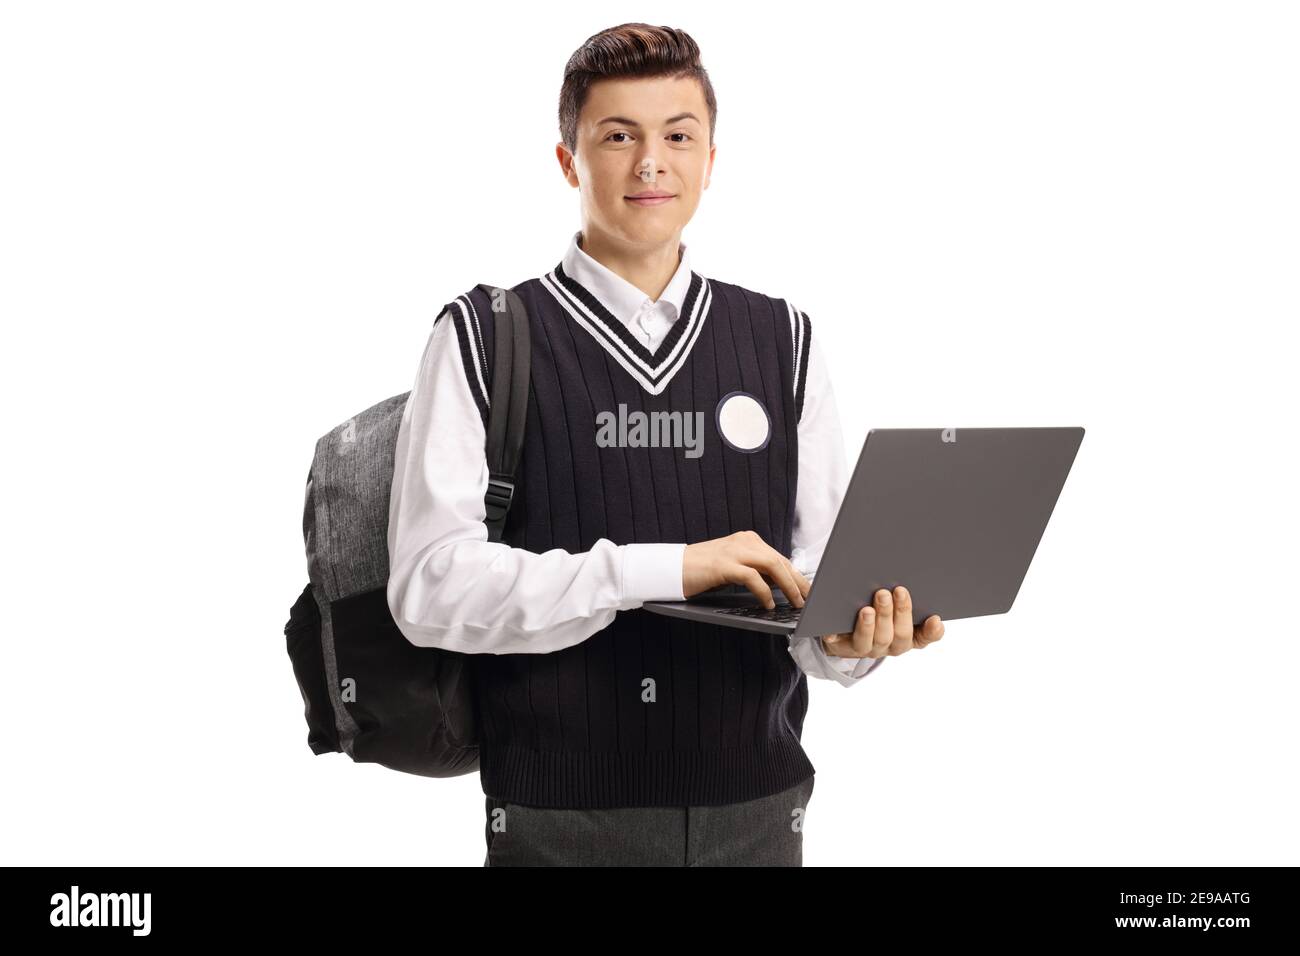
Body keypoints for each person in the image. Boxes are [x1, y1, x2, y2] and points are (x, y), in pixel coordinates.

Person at [386, 22, 945, 867]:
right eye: (618, 136)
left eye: (678, 136)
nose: (652, 163)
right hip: (556, 822)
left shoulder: (781, 337)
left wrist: (849, 643)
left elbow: (813, 578)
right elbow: (428, 589)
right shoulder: (485, 335)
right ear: (570, 161)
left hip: (757, 812)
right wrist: (663, 567)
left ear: (712, 158)